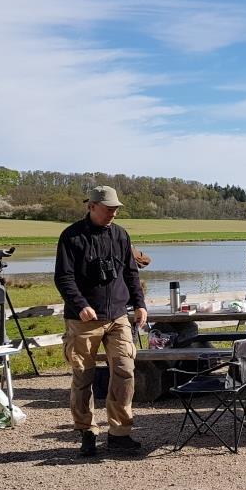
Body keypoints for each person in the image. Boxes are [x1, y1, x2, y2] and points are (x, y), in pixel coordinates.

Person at [54, 185, 147, 457]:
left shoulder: (120, 235)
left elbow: (131, 273)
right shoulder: (71, 237)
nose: (112, 214)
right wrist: (80, 305)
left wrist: (139, 304)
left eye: (116, 210)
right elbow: (64, 278)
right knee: (83, 376)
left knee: (125, 369)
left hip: (118, 316)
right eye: (108, 209)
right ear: (91, 206)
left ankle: (120, 433)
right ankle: (86, 431)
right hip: (84, 320)